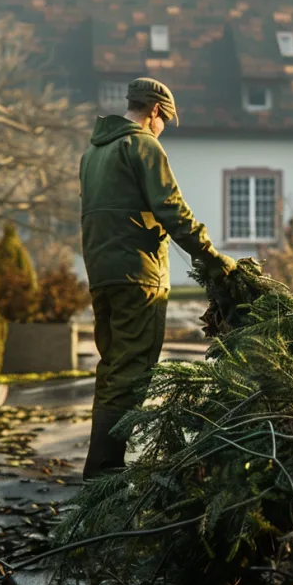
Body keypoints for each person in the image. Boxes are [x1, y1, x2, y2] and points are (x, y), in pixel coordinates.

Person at [79, 77, 236, 479]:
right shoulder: (143, 145)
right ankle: (105, 474)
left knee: (112, 367)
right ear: (153, 112)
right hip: (138, 274)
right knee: (132, 372)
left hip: (101, 274)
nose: (163, 127)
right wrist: (212, 256)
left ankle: (100, 470)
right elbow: (172, 210)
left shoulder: (93, 153)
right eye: (164, 120)